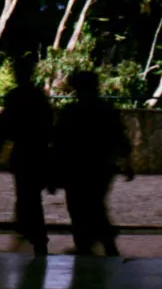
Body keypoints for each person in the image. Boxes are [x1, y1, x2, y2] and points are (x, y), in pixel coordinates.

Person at [53, 70, 134, 256]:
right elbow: (120, 138)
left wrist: (54, 172)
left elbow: (59, 143)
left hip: (76, 169)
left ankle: (87, 244)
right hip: (101, 167)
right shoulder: (107, 110)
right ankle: (103, 243)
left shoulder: (71, 112)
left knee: (78, 208)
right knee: (96, 205)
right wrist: (127, 163)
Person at [0, 53, 53, 256]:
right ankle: (35, 235)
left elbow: (2, 126)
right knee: (31, 197)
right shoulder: (39, 97)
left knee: (26, 197)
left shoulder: (15, 97)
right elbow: (49, 126)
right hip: (39, 152)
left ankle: (36, 235)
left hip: (24, 153)